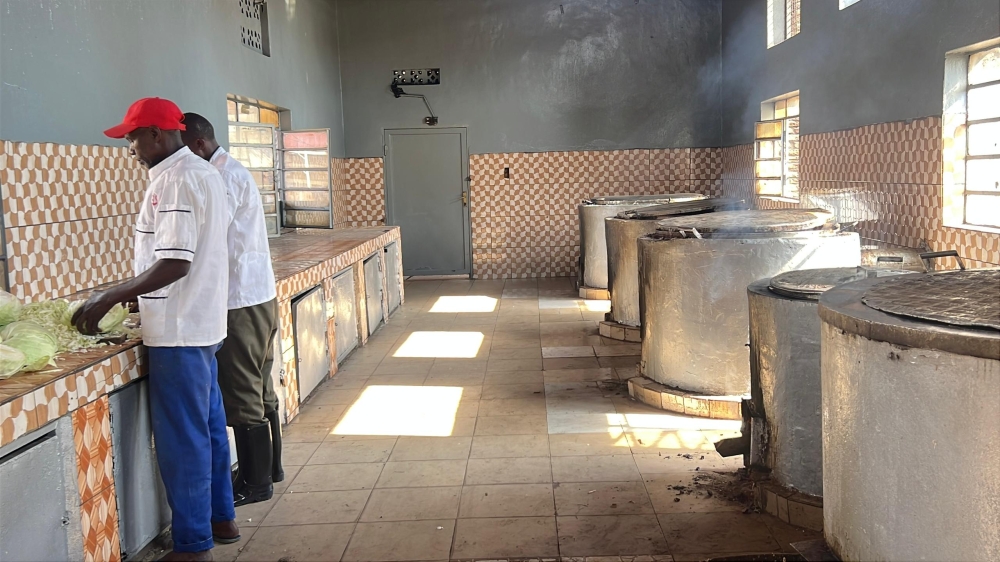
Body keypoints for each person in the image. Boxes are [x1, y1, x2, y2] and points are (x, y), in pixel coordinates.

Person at [73, 98, 238, 562]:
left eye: (133, 136)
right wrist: (136, 289)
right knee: (207, 428)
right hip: (200, 323)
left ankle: (192, 545)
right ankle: (221, 519)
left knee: (182, 439)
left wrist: (109, 293)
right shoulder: (200, 174)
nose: (129, 146)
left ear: (158, 135)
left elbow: (175, 261)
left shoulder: (178, 180)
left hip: (180, 330)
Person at [180, 112, 282, 506]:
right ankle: (270, 468)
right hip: (257, 295)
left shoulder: (219, 177)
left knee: (242, 393)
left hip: (239, 301)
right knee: (261, 386)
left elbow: (207, 242)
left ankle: (257, 484)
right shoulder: (230, 170)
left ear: (199, 146)